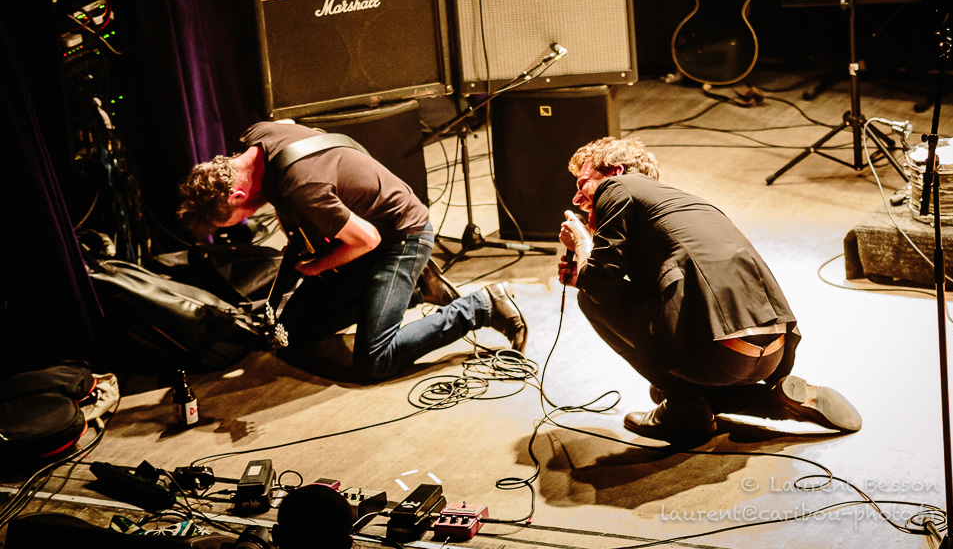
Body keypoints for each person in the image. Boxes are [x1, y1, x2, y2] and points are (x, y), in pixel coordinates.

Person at [557, 136, 861, 444]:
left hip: (720, 353)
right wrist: (586, 270)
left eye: (583, 184)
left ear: (615, 172)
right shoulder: (681, 205)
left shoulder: (616, 188)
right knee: (661, 390)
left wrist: (582, 243)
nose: (576, 198)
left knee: (591, 302)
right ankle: (771, 401)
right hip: (771, 352)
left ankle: (686, 409)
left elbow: (599, 288)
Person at [177, 119, 527, 380]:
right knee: (290, 335)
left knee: (375, 360)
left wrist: (315, 267)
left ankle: (479, 307)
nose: (249, 217)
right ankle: (414, 290)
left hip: (401, 237)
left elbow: (368, 239)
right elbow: (291, 125)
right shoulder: (259, 134)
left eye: (241, 216)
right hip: (364, 239)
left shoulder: (302, 185)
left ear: (236, 195)